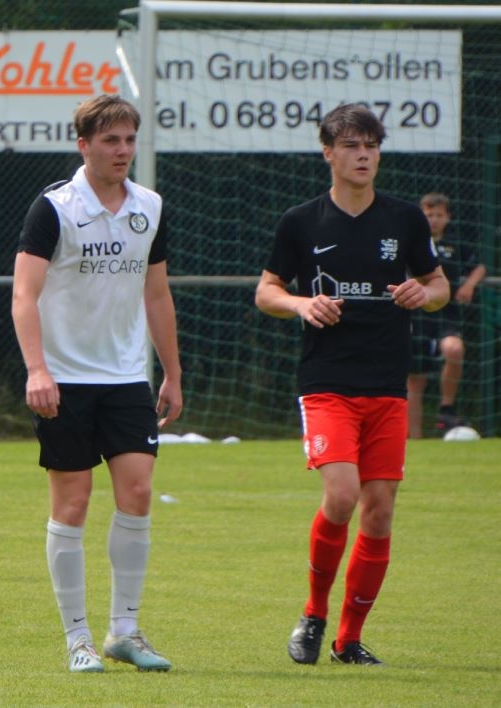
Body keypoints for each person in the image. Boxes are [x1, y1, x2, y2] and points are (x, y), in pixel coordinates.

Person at [255, 104, 448, 666]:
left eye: (372, 146)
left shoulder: (405, 219)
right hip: (327, 382)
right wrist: (300, 304)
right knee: (342, 496)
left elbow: (437, 284)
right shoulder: (301, 221)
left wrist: (424, 293)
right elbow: (266, 291)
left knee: (380, 510)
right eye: (352, 146)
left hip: (386, 384)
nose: (364, 156)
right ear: (328, 153)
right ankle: (313, 614)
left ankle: (348, 638)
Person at [11, 94, 183, 674]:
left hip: (127, 377)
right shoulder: (54, 208)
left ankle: (124, 632)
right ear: (83, 145)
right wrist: (38, 369)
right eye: (111, 140)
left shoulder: (149, 206)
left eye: (130, 139)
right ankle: (77, 639)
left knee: (137, 492)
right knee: (74, 502)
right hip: (65, 380)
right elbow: (24, 295)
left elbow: (156, 293)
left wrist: (172, 372)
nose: (123, 150)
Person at [407, 192, 486, 437]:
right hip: (415, 317)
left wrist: (468, 285)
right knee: (414, 379)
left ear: (448, 217)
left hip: (444, 314)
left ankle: (446, 408)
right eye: (429, 214)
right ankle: (415, 439)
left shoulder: (454, 245)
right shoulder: (411, 242)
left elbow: (479, 267)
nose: (434, 220)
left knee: (454, 349)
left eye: (439, 215)